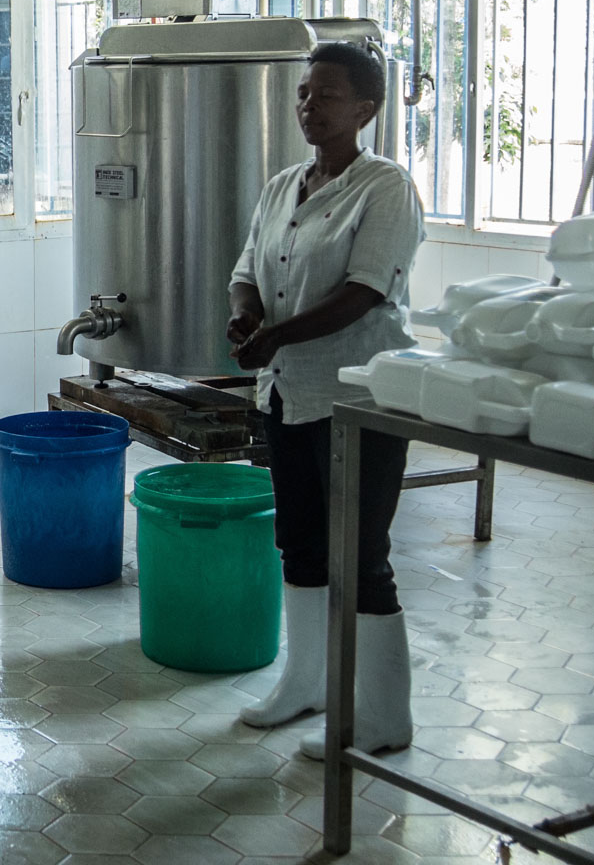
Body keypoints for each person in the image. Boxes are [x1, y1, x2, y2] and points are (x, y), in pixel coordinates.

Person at [226, 41, 424, 759]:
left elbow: (365, 291)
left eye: (328, 95)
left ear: (366, 109)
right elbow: (248, 270)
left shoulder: (386, 188)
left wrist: (276, 336)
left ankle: (384, 716)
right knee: (302, 545)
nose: (310, 105)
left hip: (357, 396)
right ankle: (304, 683)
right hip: (287, 392)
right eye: (304, 93)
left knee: (362, 556)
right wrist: (247, 318)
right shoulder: (285, 185)